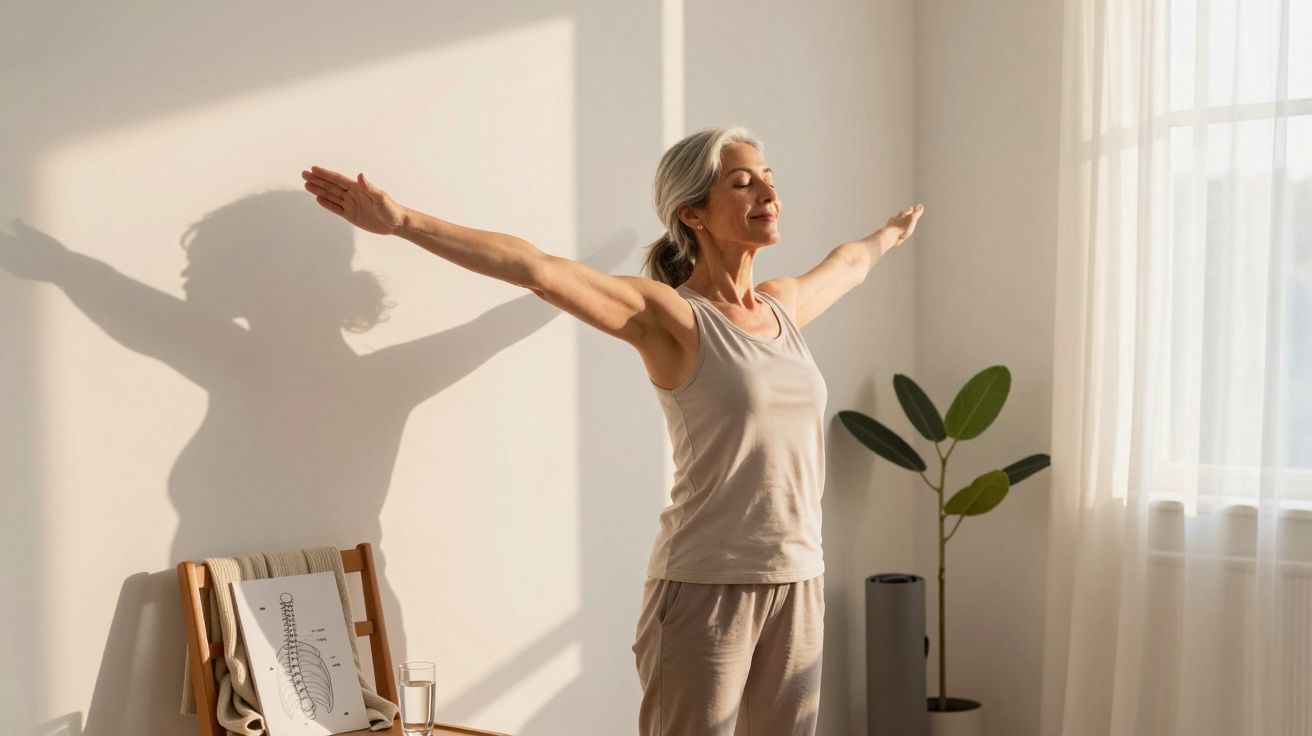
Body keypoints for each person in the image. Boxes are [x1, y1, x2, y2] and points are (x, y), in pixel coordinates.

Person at [301, 124, 923, 735]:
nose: (767, 192)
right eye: (742, 182)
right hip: (706, 585)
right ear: (694, 215)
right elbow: (537, 270)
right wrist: (404, 221)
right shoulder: (671, 318)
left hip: (799, 577)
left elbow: (848, 264)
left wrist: (891, 234)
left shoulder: (783, 307)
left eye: (769, 178)